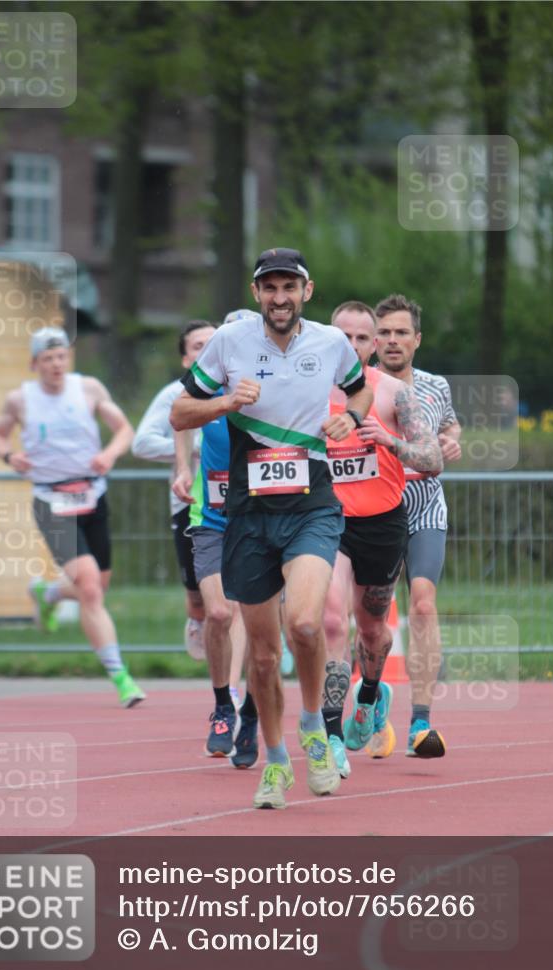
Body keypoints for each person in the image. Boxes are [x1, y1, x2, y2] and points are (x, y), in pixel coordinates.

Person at [171, 247, 374, 809]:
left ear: (307, 291)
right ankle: (277, 763)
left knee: (307, 625)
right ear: (257, 293)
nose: (279, 298)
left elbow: (361, 388)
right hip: (249, 516)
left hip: (312, 506)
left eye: (290, 287)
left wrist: (350, 418)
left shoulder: (330, 344)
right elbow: (179, 413)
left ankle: (314, 727)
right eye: (270, 288)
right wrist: (223, 403)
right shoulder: (229, 344)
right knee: (262, 656)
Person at [0, 326, 145, 708]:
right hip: (50, 500)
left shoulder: (88, 389)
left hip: (92, 495)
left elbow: (124, 429)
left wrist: (109, 455)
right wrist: (10, 456)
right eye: (48, 358)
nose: (56, 364)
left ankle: (48, 592)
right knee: (90, 586)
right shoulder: (20, 400)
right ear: (34, 363)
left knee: (97, 587)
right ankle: (121, 677)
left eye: (61, 357)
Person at [323, 302, 443, 778]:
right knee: (332, 620)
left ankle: (371, 693)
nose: (351, 347)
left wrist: (391, 442)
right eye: (342, 339)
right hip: (327, 522)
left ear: (374, 346)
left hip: (382, 522)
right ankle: (330, 735)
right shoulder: (307, 393)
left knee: (371, 629)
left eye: (361, 339)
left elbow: (432, 457)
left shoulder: (393, 392)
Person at [373, 293, 462, 757]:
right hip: (374, 507)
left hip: (424, 502)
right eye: (384, 332)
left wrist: (450, 441)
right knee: (371, 619)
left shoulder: (434, 385)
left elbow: (451, 426)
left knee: (423, 605)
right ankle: (370, 695)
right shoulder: (358, 388)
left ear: (417, 339)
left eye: (400, 332)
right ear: (372, 340)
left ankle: (421, 722)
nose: (392, 340)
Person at [172, 368, 258, 767]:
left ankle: (253, 716)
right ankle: (224, 705)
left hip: (263, 521)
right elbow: (179, 416)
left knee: (262, 625)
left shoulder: (271, 393)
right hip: (212, 520)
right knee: (220, 612)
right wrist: (183, 467)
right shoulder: (211, 394)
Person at [132, 320, 216, 661]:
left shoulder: (238, 388)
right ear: (185, 359)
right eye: (198, 346)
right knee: (197, 593)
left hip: (233, 501)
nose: (207, 350)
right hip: (189, 502)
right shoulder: (174, 394)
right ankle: (197, 618)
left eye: (213, 343)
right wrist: (196, 447)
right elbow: (141, 443)